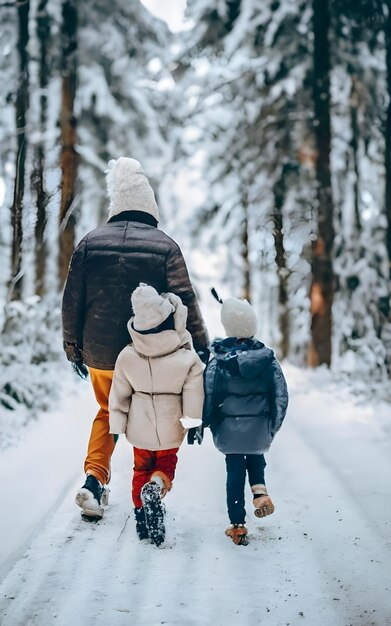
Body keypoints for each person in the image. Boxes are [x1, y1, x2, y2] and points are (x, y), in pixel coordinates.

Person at [61, 157, 208, 521]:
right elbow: (185, 298)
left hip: (100, 353)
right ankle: (153, 481)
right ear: (149, 207)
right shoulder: (164, 245)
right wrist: (203, 346)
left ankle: (94, 482)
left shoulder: (89, 243)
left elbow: (72, 300)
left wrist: (73, 348)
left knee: (107, 411)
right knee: (153, 409)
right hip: (150, 355)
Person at [108, 284, 204, 546]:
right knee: (165, 464)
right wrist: (193, 423)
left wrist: (117, 424)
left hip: (139, 427)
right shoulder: (186, 357)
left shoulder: (127, 356)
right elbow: (194, 392)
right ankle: (157, 486)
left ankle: (140, 515)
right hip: (171, 425)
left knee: (140, 467)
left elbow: (118, 394)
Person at [202, 297, 288, 545]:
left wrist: (207, 422)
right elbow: (281, 395)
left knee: (234, 472)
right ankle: (259, 490)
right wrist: (272, 427)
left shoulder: (218, 360)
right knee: (255, 453)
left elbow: (208, 392)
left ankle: (238, 526)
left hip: (229, 430)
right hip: (259, 427)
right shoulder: (267, 359)